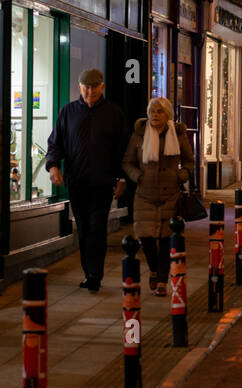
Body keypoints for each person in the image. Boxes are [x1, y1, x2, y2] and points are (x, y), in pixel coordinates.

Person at [45, 68, 128, 292]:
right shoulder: (68, 112)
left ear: (102, 87)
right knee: (82, 227)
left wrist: (121, 177)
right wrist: (53, 166)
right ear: (79, 87)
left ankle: (95, 274)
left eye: (94, 87)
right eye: (85, 87)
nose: (89, 91)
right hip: (77, 182)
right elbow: (55, 143)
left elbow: (123, 149)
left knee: (97, 226)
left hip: (103, 182)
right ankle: (88, 272)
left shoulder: (114, 113)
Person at [122, 97, 194, 296]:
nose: (155, 115)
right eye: (152, 111)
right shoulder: (139, 133)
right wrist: (138, 176)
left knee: (165, 239)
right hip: (145, 194)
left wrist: (181, 176)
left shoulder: (178, 134)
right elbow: (127, 162)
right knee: (146, 238)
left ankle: (162, 281)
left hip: (170, 194)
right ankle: (153, 269)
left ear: (168, 115)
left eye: (159, 111)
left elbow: (189, 161)